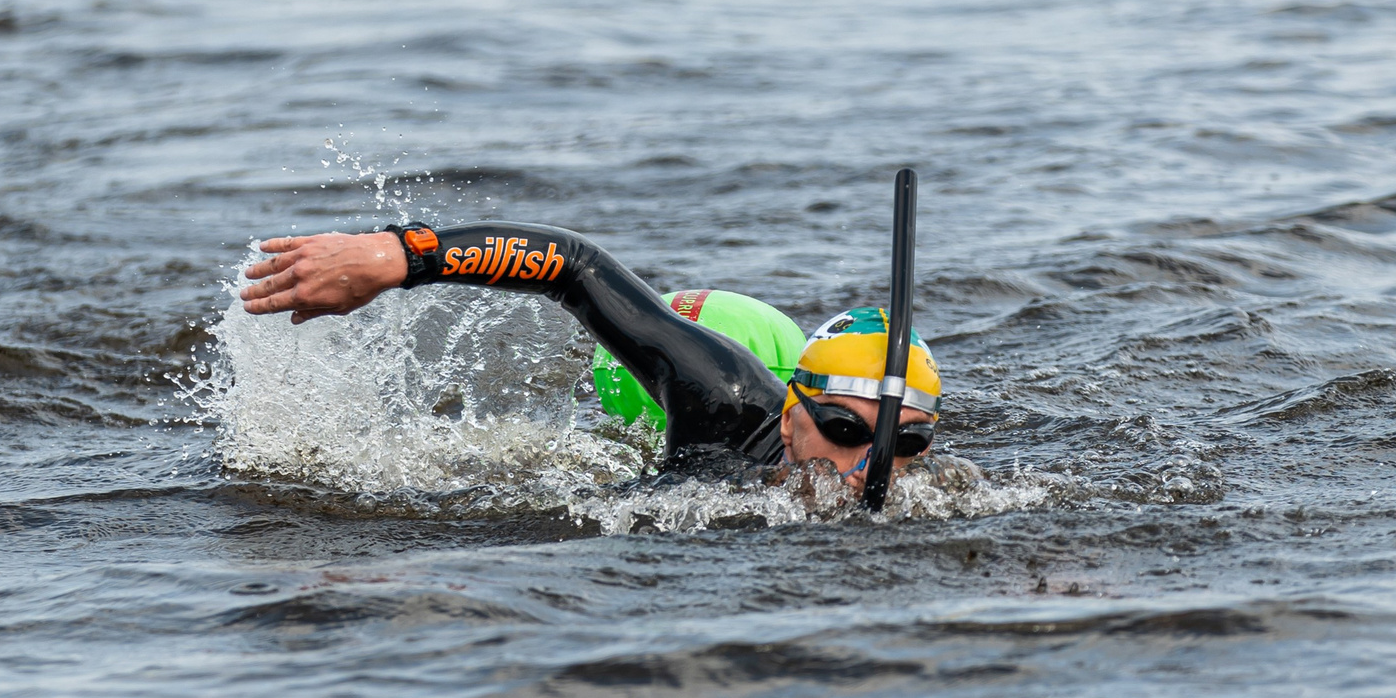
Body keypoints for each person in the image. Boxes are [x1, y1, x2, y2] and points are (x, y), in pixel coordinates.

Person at [237, 221, 942, 478]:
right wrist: (402, 254)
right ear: (790, 417)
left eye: (904, 443)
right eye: (843, 430)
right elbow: (576, 268)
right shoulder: (722, 403)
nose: (869, 466)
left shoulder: (939, 495)